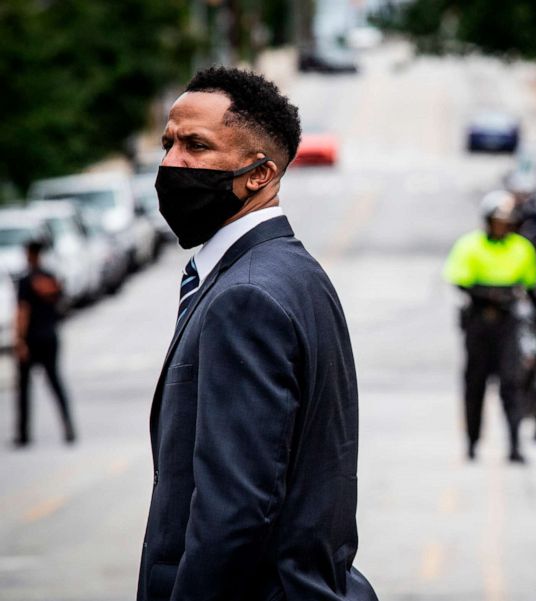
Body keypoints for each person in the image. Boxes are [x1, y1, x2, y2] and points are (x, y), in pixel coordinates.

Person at [138, 67, 376, 601]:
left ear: (259, 173)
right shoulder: (291, 270)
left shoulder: (246, 295)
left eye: (197, 146)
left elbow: (235, 512)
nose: (171, 163)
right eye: (169, 143)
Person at [444, 190, 536, 463]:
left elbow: (531, 285)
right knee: (475, 384)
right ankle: (472, 442)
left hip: (507, 323)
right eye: (498, 221)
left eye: (506, 221)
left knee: (512, 384)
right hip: (479, 321)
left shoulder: (521, 247)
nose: (502, 226)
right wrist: (490, 295)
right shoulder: (470, 245)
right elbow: (459, 279)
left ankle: (514, 445)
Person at [14, 240, 75, 447]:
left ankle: (23, 434)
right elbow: (62, 302)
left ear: (30, 254)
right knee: (56, 383)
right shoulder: (50, 278)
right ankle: (68, 428)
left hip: (31, 339)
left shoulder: (25, 280)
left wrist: (20, 340)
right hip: (50, 336)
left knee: (24, 389)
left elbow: (23, 311)